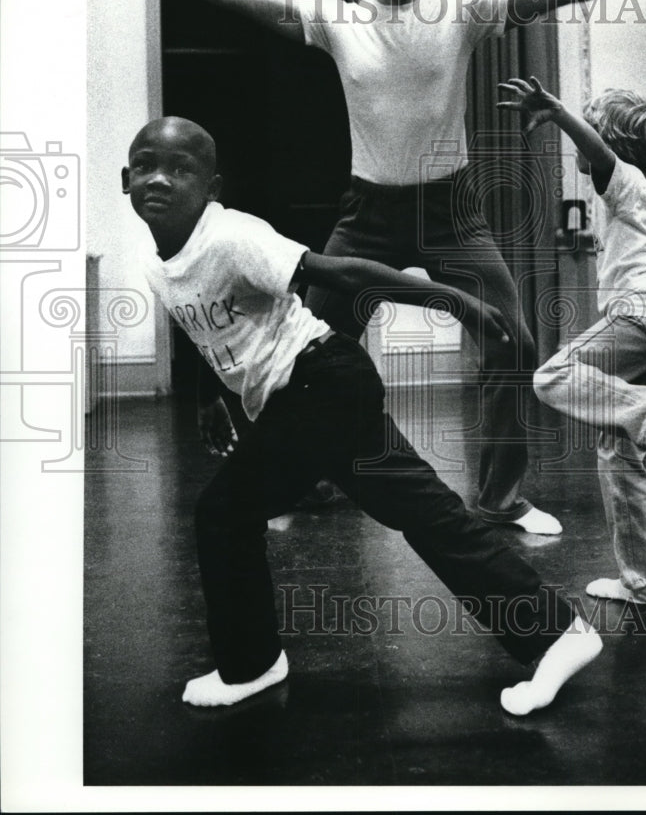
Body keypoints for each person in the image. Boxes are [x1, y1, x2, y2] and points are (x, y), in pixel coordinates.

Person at [106, 0, 646, 535]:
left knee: (513, 340)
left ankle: (501, 499)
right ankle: (298, 478)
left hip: (450, 211)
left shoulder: (463, 11)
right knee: (298, 350)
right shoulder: (336, 22)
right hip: (366, 210)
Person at [121, 114, 602, 714]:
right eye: (146, 167)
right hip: (326, 390)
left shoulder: (233, 236)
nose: (159, 180)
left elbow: (340, 272)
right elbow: (198, 317)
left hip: (318, 385)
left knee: (222, 514)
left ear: (213, 188)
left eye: (180, 168)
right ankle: (558, 633)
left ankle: (252, 664)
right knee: (429, 516)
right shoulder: (158, 259)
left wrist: (452, 297)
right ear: (125, 180)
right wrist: (206, 396)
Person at [497, 76, 646, 604]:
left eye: (588, 136)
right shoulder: (637, 198)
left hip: (644, 314)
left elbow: (597, 151)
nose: (578, 150)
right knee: (618, 451)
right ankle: (644, 582)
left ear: (608, 144)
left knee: (553, 376)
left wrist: (561, 114)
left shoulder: (627, 179)